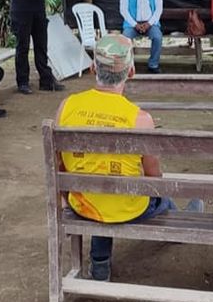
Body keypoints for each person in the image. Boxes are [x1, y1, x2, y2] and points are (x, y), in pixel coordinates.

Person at [56, 34, 200, 282]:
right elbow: (154, 178)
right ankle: (183, 222)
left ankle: (100, 262)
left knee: (99, 181)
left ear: (93, 69)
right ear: (131, 71)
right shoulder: (140, 119)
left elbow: (59, 164)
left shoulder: (66, 106)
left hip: (82, 203)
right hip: (130, 208)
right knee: (153, 193)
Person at [119, 0, 164, 74]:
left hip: (150, 24)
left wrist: (149, 23)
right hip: (132, 25)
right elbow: (123, 10)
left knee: (157, 37)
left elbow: (159, 9)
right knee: (125, 38)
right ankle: (127, 66)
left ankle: (153, 64)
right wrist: (135, 24)